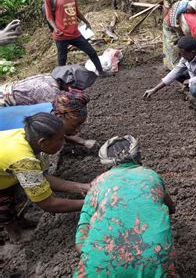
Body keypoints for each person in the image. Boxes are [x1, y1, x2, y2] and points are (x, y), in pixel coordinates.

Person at [74, 135, 176, 277]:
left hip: (100, 267)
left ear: (106, 164)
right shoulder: (151, 176)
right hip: (154, 261)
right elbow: (172, 208)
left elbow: (80, 240)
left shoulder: (98, 183)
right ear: (138, 156)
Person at [0, 112, 90, 242]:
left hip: (5, 169)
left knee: (18, 197)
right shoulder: (24, 160)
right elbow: (48, 204)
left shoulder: (30, 136)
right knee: (4, 207)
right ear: (43, 142)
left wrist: (82, 187)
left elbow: (41, 177)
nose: (62, 142)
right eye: (59, 139)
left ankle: (21, 221)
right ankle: (15, 235)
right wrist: (91, 203)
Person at [44, 0, 105, 76]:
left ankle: (101, 72)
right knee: (62, 60)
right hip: (61, 35)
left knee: (91, 52)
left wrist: (86, 21)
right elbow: (49, 17)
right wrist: (56, 29)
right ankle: (61, 81)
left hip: (75, 33)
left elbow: (76, 10)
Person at [144, 36, 196, 110]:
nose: (181, 57)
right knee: (178, 75)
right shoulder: (188, 53)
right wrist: (154, 89)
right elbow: (175, 71)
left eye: (183, 54)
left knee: (195, 89)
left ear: (192, 52)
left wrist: (189, 81)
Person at [0, 90, 96, 148]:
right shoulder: (32, 130)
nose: (78, 130)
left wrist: (82, 141)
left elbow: (58, 129)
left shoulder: (56, 108)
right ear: (59, 117)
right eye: (75, 125)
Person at [0, 64, 96, 107]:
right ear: (68, 83)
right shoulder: (49, 91)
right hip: (5, 104)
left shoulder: (49, 78)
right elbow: (53, 117)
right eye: (77, 87)